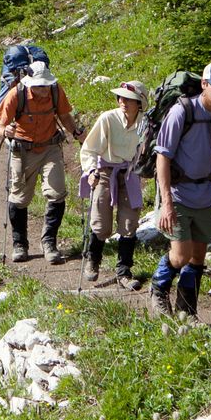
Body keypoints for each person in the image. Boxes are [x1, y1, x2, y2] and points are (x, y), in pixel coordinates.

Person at [149, 61, 211, 319]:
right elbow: (163, 157)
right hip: (177, 193)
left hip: (205, 194)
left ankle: (187, 310)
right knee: (181, 256)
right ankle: (158, 289)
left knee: (198, 257)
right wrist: (166, 203)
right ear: (204, 84)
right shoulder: (182, 112)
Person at [0, 59, 85, 262]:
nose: (44, 89)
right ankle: (20, 244)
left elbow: (64, 115)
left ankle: (49, 243)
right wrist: (5, 131)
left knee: (57, 192)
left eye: (46, 85)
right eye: (40, 86)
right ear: (29, 82)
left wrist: (76, 132)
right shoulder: (16, 95)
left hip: (50, 147)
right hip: (22, 150)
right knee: (19, 198)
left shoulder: (55, 90)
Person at [75, 80, 147, 287]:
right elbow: (89, 149)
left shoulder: (145, 123)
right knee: (100, 223)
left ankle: (124, 272)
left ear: (140, 103)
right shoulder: (108, 118)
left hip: (131, 174)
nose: (123, 101)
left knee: (129, 223)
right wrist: (90, 170)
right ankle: (93, 259)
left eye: (129, 99)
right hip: (105, 172)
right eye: (120, 97)